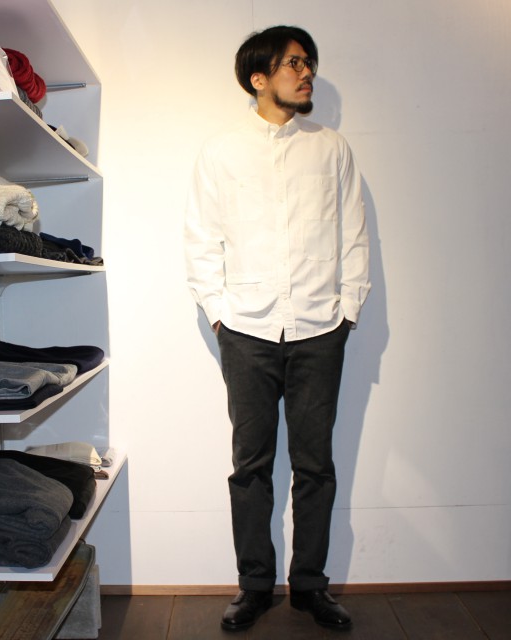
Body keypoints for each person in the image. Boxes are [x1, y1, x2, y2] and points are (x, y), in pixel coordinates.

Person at [184, 25, 370, 632]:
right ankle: (255, 586)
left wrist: (348, 311)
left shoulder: (332, 149)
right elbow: (201, 240)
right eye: (293, 62)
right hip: (247, 330)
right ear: (258, 77)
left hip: (320, 328)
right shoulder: (220, 152)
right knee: (251, 466)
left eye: (309, 62)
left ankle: (311, 587)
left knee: (315, 466)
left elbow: (354, 235)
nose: (306, 71)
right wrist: (219, 313)